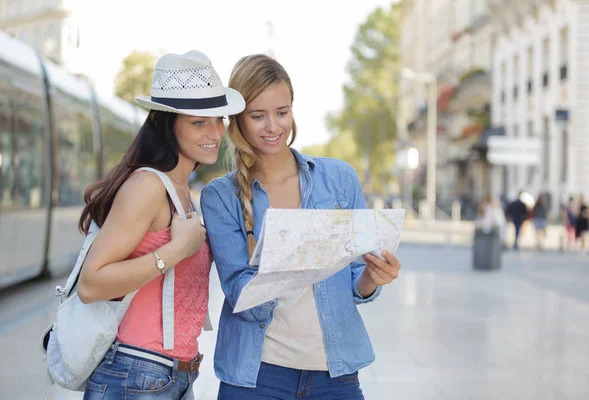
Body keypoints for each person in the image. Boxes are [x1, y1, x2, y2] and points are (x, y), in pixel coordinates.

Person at [200, 54, 402, 399]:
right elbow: (237, 292)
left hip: (334, 376)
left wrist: (372, 277)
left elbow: (356, 279)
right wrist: (292, 263)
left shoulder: (338, 178)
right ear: (238, 120)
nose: (273, 127)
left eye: (282, 112)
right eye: (257, 115)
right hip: (256, 377)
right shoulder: (220, 196)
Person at [76, 50, 245, 400]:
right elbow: (90, 285)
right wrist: (171, 252)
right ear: (168, 124)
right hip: (136, 374)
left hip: (174, 377)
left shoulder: (181, 190)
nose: (215, 132)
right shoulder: (147, 187)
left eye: (219, 119)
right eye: (199, 122)